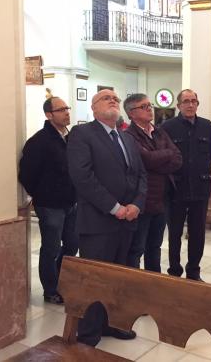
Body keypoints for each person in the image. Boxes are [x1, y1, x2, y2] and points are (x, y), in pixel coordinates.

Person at [67, 88, 147, 343]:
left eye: (116, 98)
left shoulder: (126, 138)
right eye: (106, 98)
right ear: (93, 107)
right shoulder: (82, 134)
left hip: (127, 221)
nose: (113, 100)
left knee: (118, 279)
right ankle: (89, 331)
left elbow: (141, 175)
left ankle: (111, 323)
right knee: (96, 280)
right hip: (98, 222)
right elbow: (83, 177)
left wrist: (136, 204)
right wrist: (115, 208)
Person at [18, 96, 78, 305]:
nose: (67, 112)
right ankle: (51, 289)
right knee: (51, 248)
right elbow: (26, 175)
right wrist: (42, 195)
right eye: (61, 109)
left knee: (72, 245)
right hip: (50, 205)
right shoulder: (39, 141)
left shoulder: (72, 138)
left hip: (72, 202)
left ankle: (62, 281)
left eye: (67, 108)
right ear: (49, 115)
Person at [124, 93, 182, 272]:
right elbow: (146, 160)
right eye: (144, 106)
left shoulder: (159, 131)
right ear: (131, 113)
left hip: (162, 199)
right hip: (143, 200)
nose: (150, 109)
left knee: (155, 247)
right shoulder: (129, 135)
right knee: (136, 249)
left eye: (150, 105)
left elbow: (178, 158)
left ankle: (153, 283)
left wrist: (158, 160)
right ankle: (133, 286)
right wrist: (165, 155)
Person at [161, 89, 211, 281]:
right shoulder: (167, 127)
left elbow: (210, 154)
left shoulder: (207, 126)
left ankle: (194, 271)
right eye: (186, 101)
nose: (190, 104)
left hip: (200, 189)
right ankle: (174, 271)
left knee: (197, 234)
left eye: (194, 101)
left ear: (197, 104)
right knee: (174, 233)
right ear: (178, 105)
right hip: (176, 190)